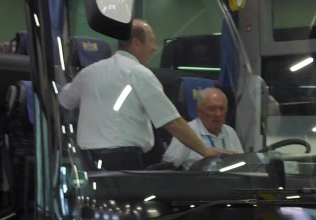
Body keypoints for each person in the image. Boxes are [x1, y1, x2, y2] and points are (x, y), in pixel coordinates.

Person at [58, 19, 222, 170]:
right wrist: (204, 150)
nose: (155, 47)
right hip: (121, 161)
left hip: (86, 162)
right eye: (151, 41)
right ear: (136, 43)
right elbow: (172, 122)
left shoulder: (88, 73)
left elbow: (65, 101)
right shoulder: (139, 74)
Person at [163, 86, 242, 168]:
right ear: (199, 111)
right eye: (212, 109)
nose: (218, 114)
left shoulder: (230, 131)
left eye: (222, 109)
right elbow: (165, 167)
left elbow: (241, 162)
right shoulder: (187, 131)